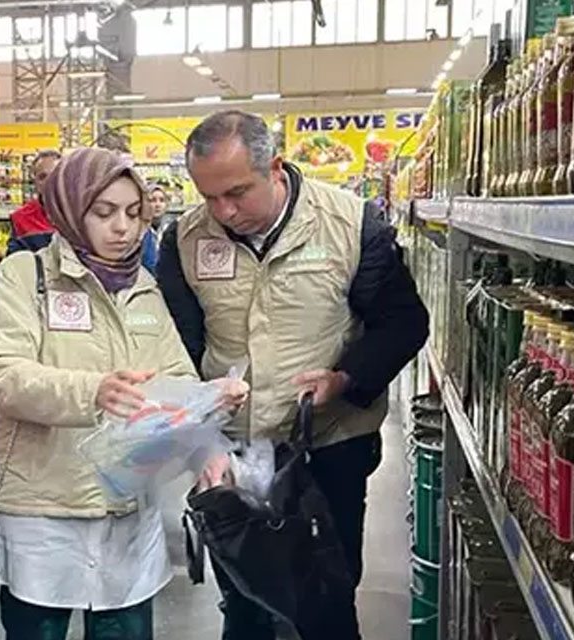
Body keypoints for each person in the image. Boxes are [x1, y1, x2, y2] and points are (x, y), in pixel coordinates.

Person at [157, 110, 429, 640]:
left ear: (275, 169)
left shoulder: (350, 224)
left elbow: (402, 322)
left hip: (328, 446)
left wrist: (344, 379)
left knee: (327, 596)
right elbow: (179, 344)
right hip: (232, 451)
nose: (224, 211)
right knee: (244, 602)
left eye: (237, 193)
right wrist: (196, 432)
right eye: (209, 197)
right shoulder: (184, 239)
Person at [0, 148, 248, 640]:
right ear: (69, 210)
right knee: (37, 628)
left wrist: (206, 408)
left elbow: (173, 374)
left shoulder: (143, 286)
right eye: (103, 213)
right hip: (45, 503)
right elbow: (1, 375)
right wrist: (92, 392)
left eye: (132, 212)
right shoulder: (26, 276)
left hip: (127, 506)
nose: (122, 227)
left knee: (124, 629)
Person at [5, 149, 60, 255]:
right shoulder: (21, 218)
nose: (49, 182)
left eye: (55, 175)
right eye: (43, 177)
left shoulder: (80, 215)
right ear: (35, 182)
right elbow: (14, 260)